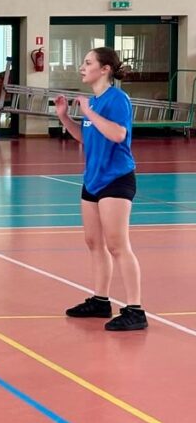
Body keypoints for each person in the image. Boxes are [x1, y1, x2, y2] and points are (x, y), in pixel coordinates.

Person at [55, 47, 146, 331]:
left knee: (117, 245)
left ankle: (135, 310)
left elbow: (118, 134)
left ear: (105, 69)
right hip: (92, 179)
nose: (82, 67)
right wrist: (65, 118)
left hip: (116, 179)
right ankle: (100, 300)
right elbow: (87, 137)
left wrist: (88, 111)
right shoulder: (94, 101)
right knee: (94, 242)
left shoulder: (117, 99)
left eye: (88, 62)